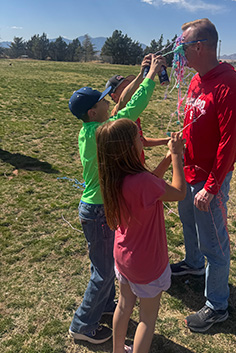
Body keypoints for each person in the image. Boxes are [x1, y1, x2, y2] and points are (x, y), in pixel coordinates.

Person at [67, 54, 167, 344]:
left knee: (105, 265)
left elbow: (122, 104)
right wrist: (151, 77)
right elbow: (131, 109)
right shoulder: (102, 131)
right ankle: (82, 325)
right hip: (98, 211)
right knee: (102, 272)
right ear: (93, 113)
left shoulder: (89, 131)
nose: (108, 102)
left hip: (95, 208)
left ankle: (104, 306)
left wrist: (140, 74)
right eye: (102, 102)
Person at [170, 18, 236, 333]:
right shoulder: (196, 80)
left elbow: (230, 142)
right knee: (189, 224)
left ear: (199, 47)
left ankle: (217, 305)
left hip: (209, 181)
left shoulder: (229, 83)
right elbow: (191, 125)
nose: (180, 54)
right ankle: (192, 265)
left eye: (183, 47)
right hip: (188, 173)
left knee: (214, 243)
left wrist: (212, 187)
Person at [96, 120, 186, 353]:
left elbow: (152, 184)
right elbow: (178, 192)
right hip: (147, 263)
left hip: (124, 256)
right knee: (147, 318)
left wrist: (165, 159)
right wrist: (177, 156)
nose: (143, 141)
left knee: (124, 306)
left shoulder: (116, 176)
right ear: (128, 147)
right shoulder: (144, 182)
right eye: (139, 138)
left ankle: (117, 350)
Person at [105, 73, 170, 159]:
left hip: (139, 165)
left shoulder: (133, 114)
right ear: (114, 96)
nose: (131, 89)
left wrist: (166, 140)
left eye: (130, 85)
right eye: (125, 88)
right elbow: (123, 101)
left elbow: (142, 140)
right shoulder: (118, 116)